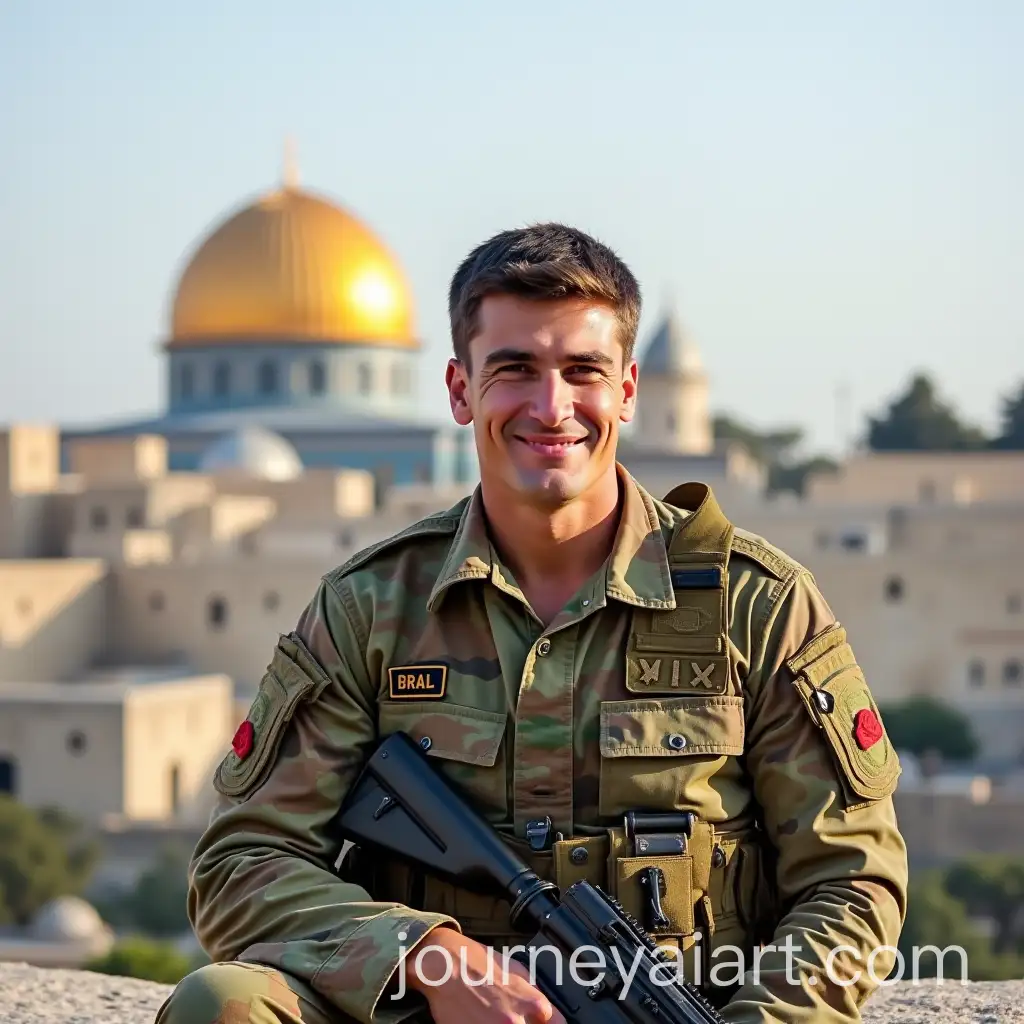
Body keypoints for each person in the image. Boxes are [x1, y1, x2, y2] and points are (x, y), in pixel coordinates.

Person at [156, 223, 908, 1024]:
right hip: (427, 1013)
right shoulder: (373, 607)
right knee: (220, 1004)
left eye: (583, 371)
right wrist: (424, 956)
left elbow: (852, 881)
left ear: (626, 391)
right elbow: (243, 861)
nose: (552, 408)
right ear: (459, 389)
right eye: (514, 370)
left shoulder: (756, 606)